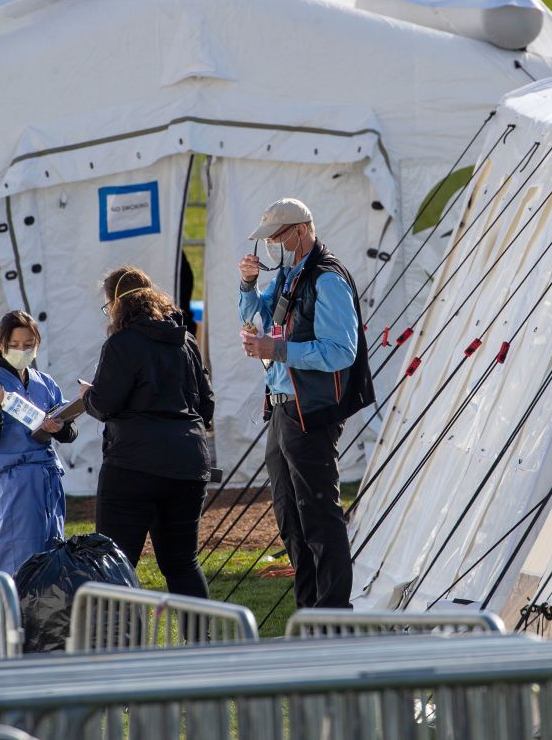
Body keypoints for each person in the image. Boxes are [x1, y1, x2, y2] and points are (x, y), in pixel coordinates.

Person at [238, 198, 374, 609]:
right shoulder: (291, 275)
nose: (271, 246)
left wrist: (277, 349)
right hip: (283, 406)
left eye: (277, 237)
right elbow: (259, 315)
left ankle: (334, 613)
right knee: (290, 517)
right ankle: (310, 610)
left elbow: (341, 351)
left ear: (300, 231)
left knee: (318, 514)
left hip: (310, 411)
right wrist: (247, 286)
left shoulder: (327, 279)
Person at [80, 266, 214, 598]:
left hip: (133, 465)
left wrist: (87, 397)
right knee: (182, 564)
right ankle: (203, 645)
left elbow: (106, 403)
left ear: (115, 304)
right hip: (188, 463)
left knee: (114, 563)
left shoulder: (121, 344)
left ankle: (114, 647)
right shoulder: (186, 341)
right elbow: (206, 406)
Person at [0, 310, 75, 576]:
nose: (21, 350)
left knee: (52, 552)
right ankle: (10, 616)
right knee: (20, 555)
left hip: (48, 476)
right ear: (0, 343)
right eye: (14, 345)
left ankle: (46, 615)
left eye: (29, 345)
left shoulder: (45, 383)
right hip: (15, 479)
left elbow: (70, 432)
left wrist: (58, 426)